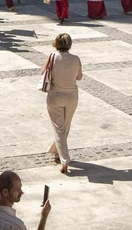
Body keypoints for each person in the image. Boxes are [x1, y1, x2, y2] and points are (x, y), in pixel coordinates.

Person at [42, 32, 82, 172]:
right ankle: (56, 150)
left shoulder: (52, 57)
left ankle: (63, 159)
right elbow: (79, 77)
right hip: (71, 96)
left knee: (59, 128)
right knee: (65, 126)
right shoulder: (76, 59)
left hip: (55, 96)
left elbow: (44, 73)